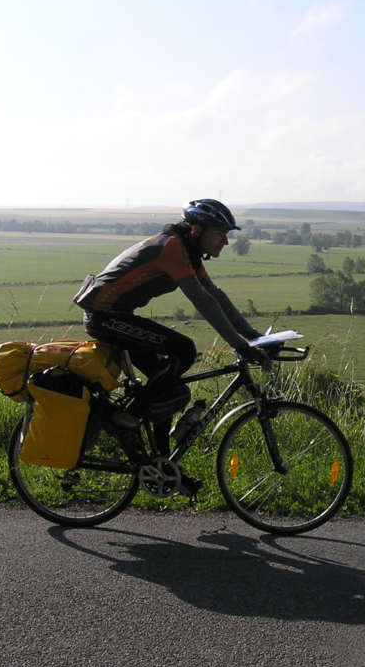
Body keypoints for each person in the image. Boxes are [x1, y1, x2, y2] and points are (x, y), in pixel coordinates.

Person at [72, 198, 269, 467]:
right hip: (103, 317)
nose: (224, 242)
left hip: (117, 316)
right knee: (184, 350)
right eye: (219, 234)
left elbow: (216, 296)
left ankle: (160, 461)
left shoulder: (187, 251)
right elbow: (203, 302)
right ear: (197, 230)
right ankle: (124, 421)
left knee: (166, 385)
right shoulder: (171, 248)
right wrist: (241, 344)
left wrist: (254, 336)